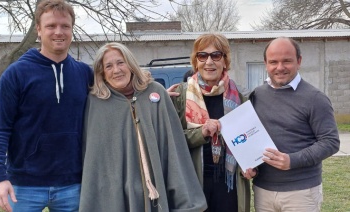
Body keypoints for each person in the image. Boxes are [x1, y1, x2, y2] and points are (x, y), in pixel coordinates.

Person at [0, 0, 93, 211]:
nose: (58, 32)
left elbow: (115, 100)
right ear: (39, 30)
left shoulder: (84, 74)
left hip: (74, 185)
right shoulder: (16, 74)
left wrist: (152, 95)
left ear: (72, 30)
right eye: (51, 26)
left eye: (65, 26)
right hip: (24, 186)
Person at [79, 42, 207, 211]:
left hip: (156, 191)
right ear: (101, 72)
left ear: (130, 64)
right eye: (108, 66)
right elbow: (94, 163)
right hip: (117, 196)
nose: (116, 70)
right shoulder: (96, 103)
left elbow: (174, 149)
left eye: (120, 62)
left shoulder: (156, 92)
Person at [249, 37, 340, 211]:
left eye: (287, 61)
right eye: (273, 62)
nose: (280, 67)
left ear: (299, 61)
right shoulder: (257, 95)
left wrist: (292, 160)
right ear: (265, 64)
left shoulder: (315, 98)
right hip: (262, 189)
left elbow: (331, 142)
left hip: (301, 192)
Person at [171, 33, 253, 212]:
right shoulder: (181, 95)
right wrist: (202, 133)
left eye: (216, 55)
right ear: (196, 61)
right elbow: (172, 142)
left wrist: (251, 165)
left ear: (225, 60)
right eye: (202, 55)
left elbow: (249, 140)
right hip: (193, 184)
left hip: (229, 184)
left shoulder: (239, 95)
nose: (209, 62)